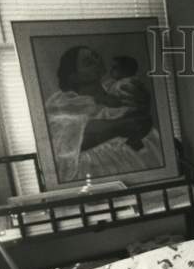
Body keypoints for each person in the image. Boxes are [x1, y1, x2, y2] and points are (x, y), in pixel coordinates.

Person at [45, 45, 163, 183]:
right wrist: (118, 126)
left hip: (137, 155)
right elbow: (65, 137)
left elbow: (142, 118)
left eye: (96, 57)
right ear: (73, 77)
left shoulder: (118, 88)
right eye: (88, 62)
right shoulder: (64, 101)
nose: (97, 62)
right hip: (96, 167)